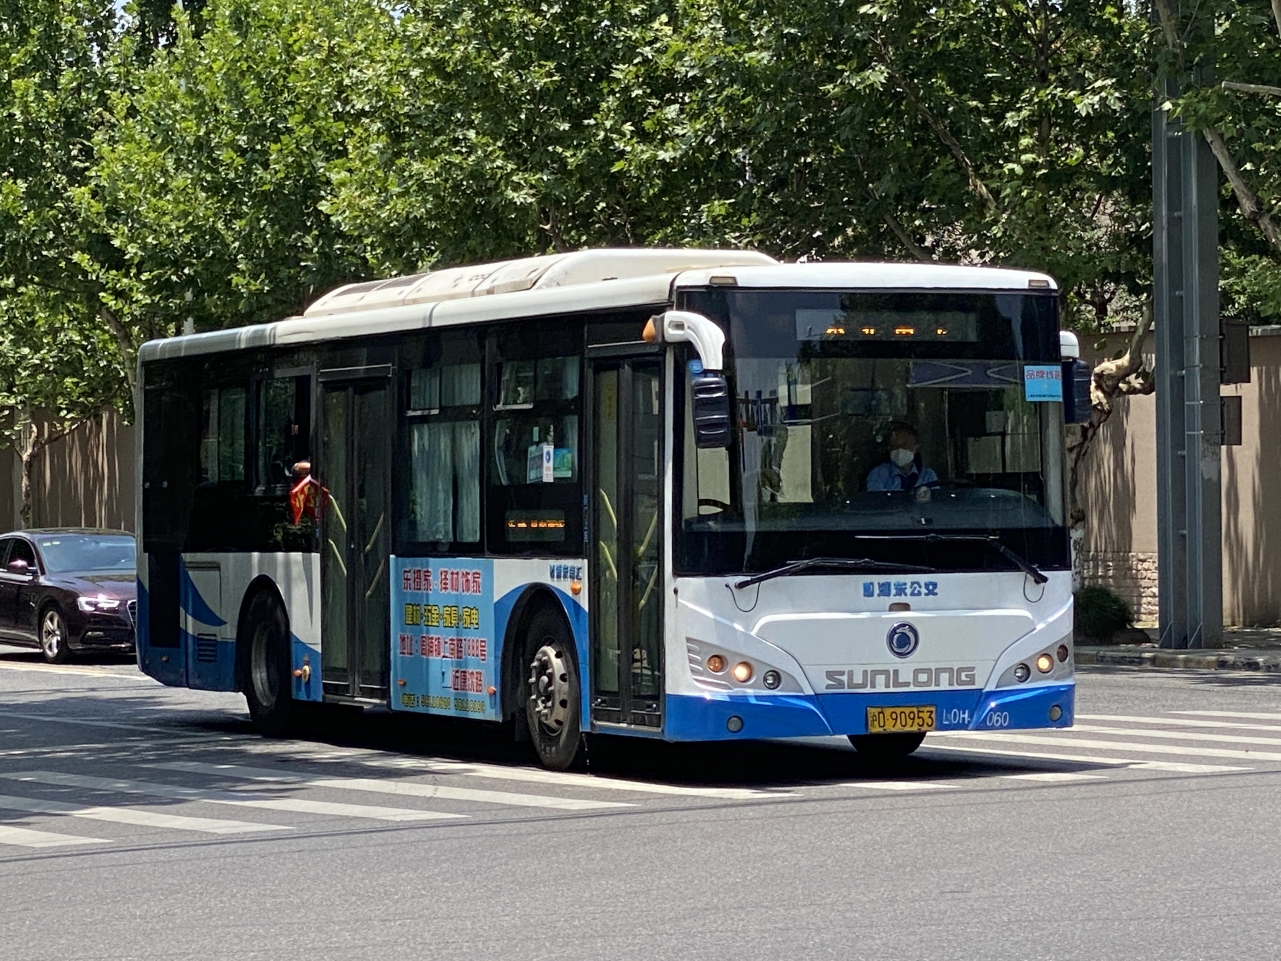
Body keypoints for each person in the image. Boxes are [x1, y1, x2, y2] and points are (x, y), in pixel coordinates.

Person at [866, 422, 939, 492]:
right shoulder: (878, 475)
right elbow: (876, 499)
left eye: (905, 446)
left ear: (916, 448)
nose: (900, 450)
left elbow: (935, 499)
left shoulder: (928, 475)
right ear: (889, 449)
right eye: (894, 446)